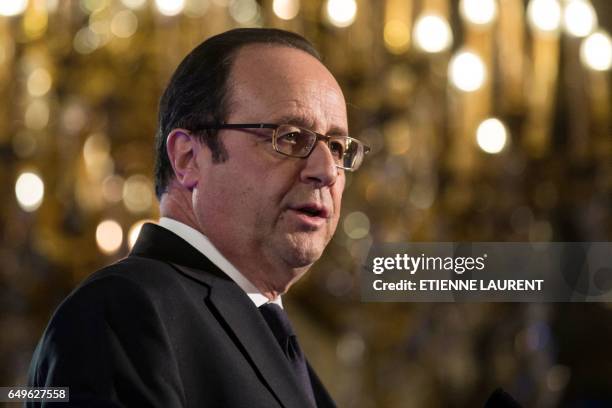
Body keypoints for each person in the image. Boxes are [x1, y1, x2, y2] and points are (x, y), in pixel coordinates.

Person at [27, 28, 369, 407]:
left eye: (337, 147)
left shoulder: (283, 347)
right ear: (188, 158)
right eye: (289, 137)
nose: (327, 170)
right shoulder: (123, 311)